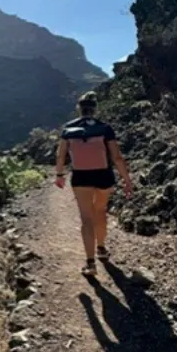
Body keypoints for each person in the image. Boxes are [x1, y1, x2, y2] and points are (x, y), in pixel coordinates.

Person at [54, 91, 133, 277]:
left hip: (81, 177)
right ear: (94, 109)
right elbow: (117, 157)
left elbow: (60, 155)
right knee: (101, 211)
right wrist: (126, 180)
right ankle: (102, 249)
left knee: (86, 218)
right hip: (103, 176)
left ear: (79, 109)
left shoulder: (68, 129)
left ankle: (90, 264)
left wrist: (59, 174)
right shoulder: (105, 128)